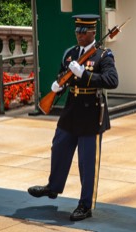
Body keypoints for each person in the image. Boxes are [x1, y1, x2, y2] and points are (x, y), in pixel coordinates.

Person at [28, 14, 118, 221]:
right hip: (71, 111)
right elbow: (63, 78)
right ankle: (53, 187)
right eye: (77, 31)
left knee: (87, 163)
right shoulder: (70, 53)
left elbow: (112, 81)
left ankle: (85, 205)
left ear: (93, 32)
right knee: (58, 148)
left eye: (83, 32)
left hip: (91, 114)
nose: (79, 35)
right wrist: (57, 87)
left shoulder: (103, 56)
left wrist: (84, 74)